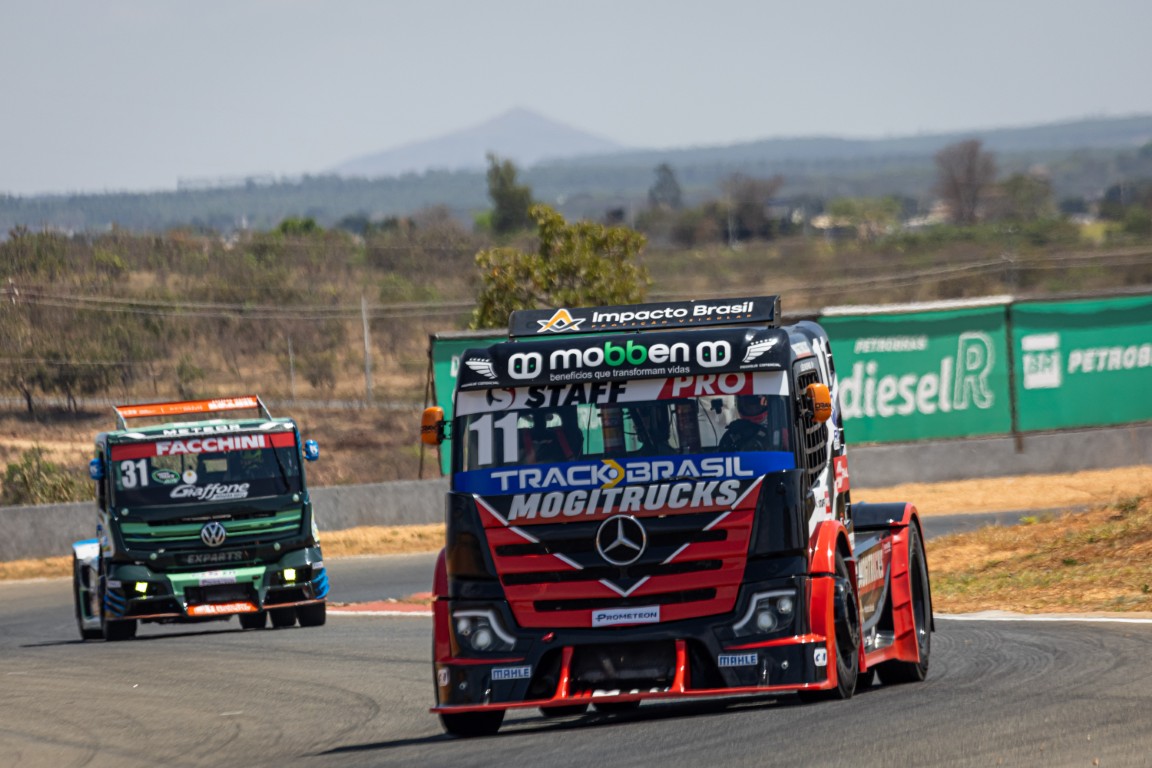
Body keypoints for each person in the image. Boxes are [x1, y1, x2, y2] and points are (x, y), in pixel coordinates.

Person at [718, 394, 783, 453]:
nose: (753, 409)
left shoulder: (777, 430)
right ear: (738, 404)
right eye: (748, 405)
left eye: (756, 405)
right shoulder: (732, 434)